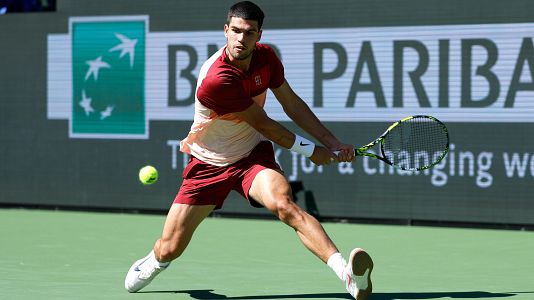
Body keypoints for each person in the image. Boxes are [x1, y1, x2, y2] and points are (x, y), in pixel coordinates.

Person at [124, 1, 373, 299]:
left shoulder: (266, 58)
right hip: (208, 163)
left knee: (284, 205)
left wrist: (332, 143)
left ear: (259, 35)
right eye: (236, 31)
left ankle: (348, 277)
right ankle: (154, 262)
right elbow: (266, 124)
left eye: (249, 32)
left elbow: (291, 103)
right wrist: (311, 151)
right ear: (226, 30)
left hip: (251, 155)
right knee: (170, 248)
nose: (241, 39)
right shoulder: (217, 79)